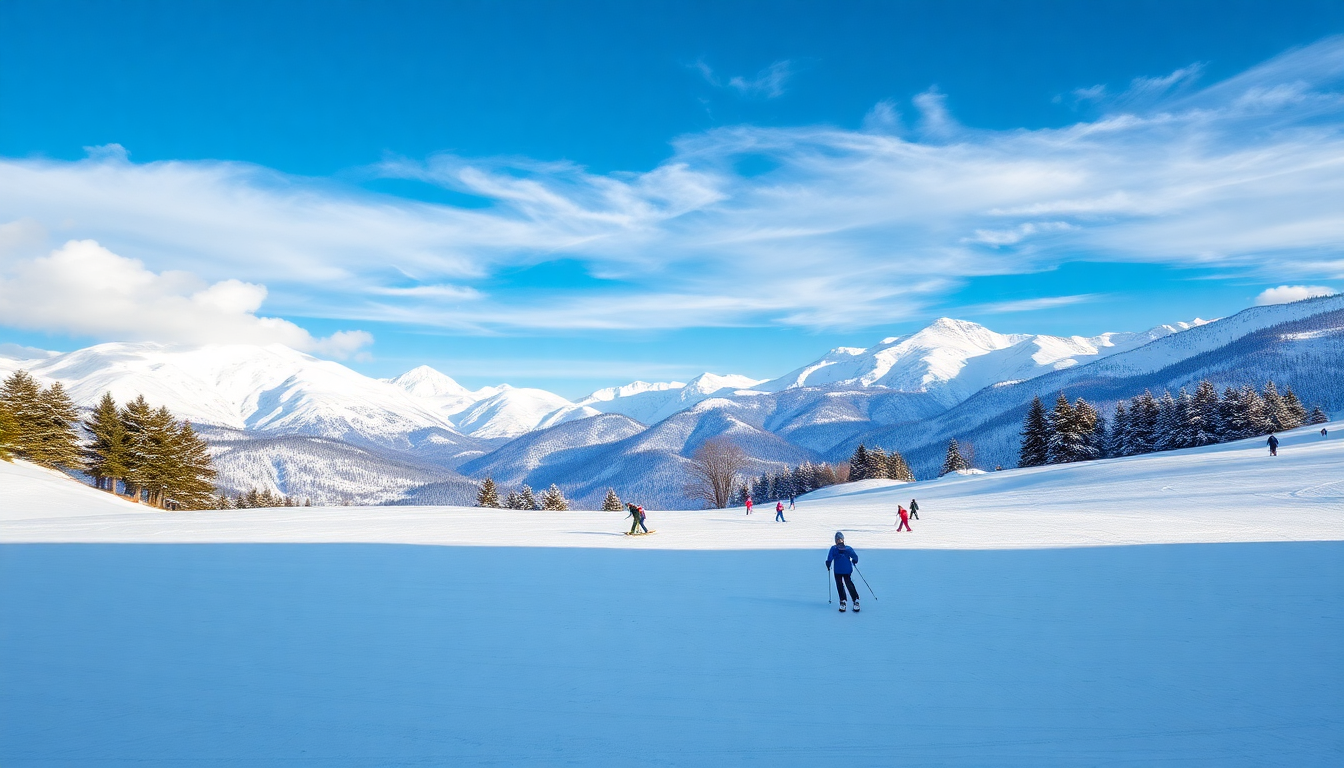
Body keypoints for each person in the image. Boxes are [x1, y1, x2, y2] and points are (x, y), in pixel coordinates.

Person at [826, 532, 860, 612]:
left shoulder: (833, 549)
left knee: (839, 584)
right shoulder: (848, 548)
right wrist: (854, 561)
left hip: (838, 570)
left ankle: (843, 601)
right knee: (848, 583)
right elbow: (855, 557)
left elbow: (829, 558)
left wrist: (828, 564)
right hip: (847, 569)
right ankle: (855, 600)